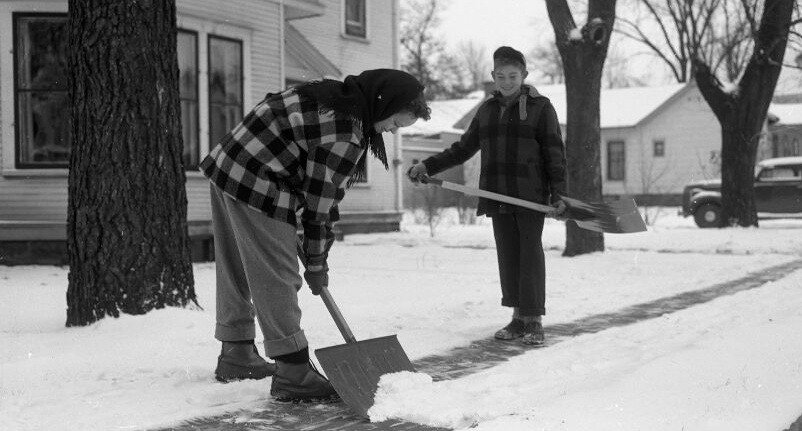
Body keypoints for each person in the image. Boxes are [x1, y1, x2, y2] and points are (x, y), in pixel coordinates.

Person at [200, 69, 430, 402]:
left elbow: (311, 180)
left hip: (229, 163)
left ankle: (236, 354)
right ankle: (293, 371)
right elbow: (319, 208)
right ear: (383, 104)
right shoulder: (345, 132)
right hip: (259, 177)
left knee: (235, 263)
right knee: (277, 273)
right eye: (394, 122)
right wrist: (317, 262)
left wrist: (315, 254)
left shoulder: (331, 94)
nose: (391, 131)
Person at [407, 46, 565, 346]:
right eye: (501, 76)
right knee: (509, 255)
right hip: (497, 194)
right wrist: (428, 164)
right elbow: (463, 148)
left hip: (530, 196)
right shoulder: (487, 111)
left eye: (513, 76)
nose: (506, 81)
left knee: (530, 255)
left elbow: (555, 154)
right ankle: (518, 318)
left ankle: (534, 321)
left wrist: (559, 194)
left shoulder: (541, 108)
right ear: (493, 76)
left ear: (524, 75)